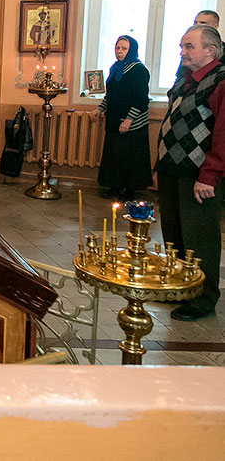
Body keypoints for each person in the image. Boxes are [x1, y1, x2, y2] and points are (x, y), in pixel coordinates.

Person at [156, 24, 225, 321]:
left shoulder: (220, 80)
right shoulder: (185, 79)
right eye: (182, 46)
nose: (182, 52)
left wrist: (209, 175)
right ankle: (181, 288)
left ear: (210, 51)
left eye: (189, 47)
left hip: (198, 175)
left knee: (200, 238)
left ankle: (203, 297)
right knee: (174, 234)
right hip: (173, 170)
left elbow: (222, 134)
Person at [95, 35, 151, 200]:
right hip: (114, 119)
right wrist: (99, 109)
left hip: (133, 124)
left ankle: (129, 191)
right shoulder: (115, 68)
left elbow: (141, 99)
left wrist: (128, 120)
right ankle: (114, 187)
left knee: (130, 157)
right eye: (117, 48)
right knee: (114, 156)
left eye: (124, 48)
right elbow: (111, 95)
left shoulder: (139, 70)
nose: (119, 51)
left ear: (132, 50)